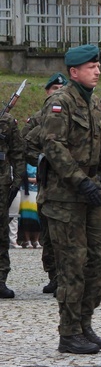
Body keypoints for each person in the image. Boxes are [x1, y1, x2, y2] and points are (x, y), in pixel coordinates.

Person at [37, 44, 101, 354]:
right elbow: (52, 146)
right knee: (73, 263)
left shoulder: (93, 103)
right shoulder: (60, 103)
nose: (97, 70)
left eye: (98, 65)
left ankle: (83, 322)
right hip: (64, 197)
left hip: (92, 193)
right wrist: (80, 181)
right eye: (90, 66)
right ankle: (69, 332)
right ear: (74, 72)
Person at [22, 72, 67, 293]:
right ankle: (53, 275)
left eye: (62, 89)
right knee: (49, 232)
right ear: (47, 92)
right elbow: (24, 147)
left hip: (71, 184)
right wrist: (42, 162)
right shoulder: (38, 120)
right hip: (48, 185)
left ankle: (73, 276)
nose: (58, 92)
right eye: (54, 89)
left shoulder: (73, 116)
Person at [0, 106, 26, 299]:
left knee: (1, 231)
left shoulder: (6, 121)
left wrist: (17, 181)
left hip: (1, 184)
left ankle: (0, 279)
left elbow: (18, 153)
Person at [19, 163, 41, 248]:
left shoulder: (40, 161)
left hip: (38, 191)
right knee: (26, 217)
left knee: (38, 217)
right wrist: (33, 180)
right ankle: (27, 240)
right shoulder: (24, 163)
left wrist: (36, 180)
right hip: (26, 192)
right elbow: (20, 176)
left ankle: (36, 240)